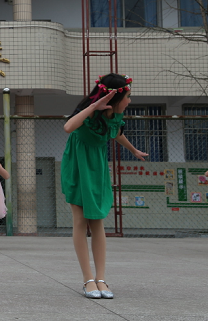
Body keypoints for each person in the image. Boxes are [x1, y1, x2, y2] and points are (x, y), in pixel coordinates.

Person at [61, 73, 147, 300]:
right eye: (128, 96)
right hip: (78, 166)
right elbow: (68, 126)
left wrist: (134, 150)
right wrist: (94, 106)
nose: (129, 101)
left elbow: (116, 134)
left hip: (97, 168)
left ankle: (101, 278)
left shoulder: (117, 117)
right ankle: (88, 280)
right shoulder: (88, 115)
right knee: (80, 220)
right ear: (114, 97)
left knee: (97, 220)